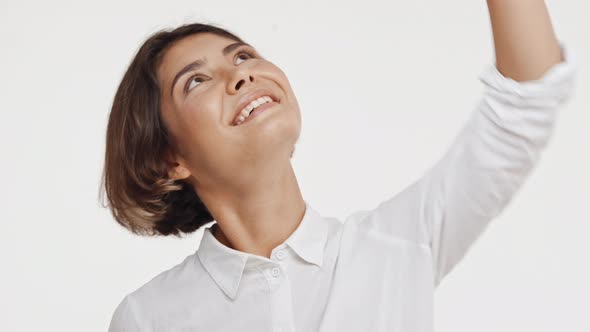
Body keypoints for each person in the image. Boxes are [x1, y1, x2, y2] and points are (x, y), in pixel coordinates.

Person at [102, 1, 577, 331]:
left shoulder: (397, 245)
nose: (241, 73)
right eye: (197, 81)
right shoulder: (147, 319)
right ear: (170, 159)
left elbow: (527, 102)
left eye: (243, 55)